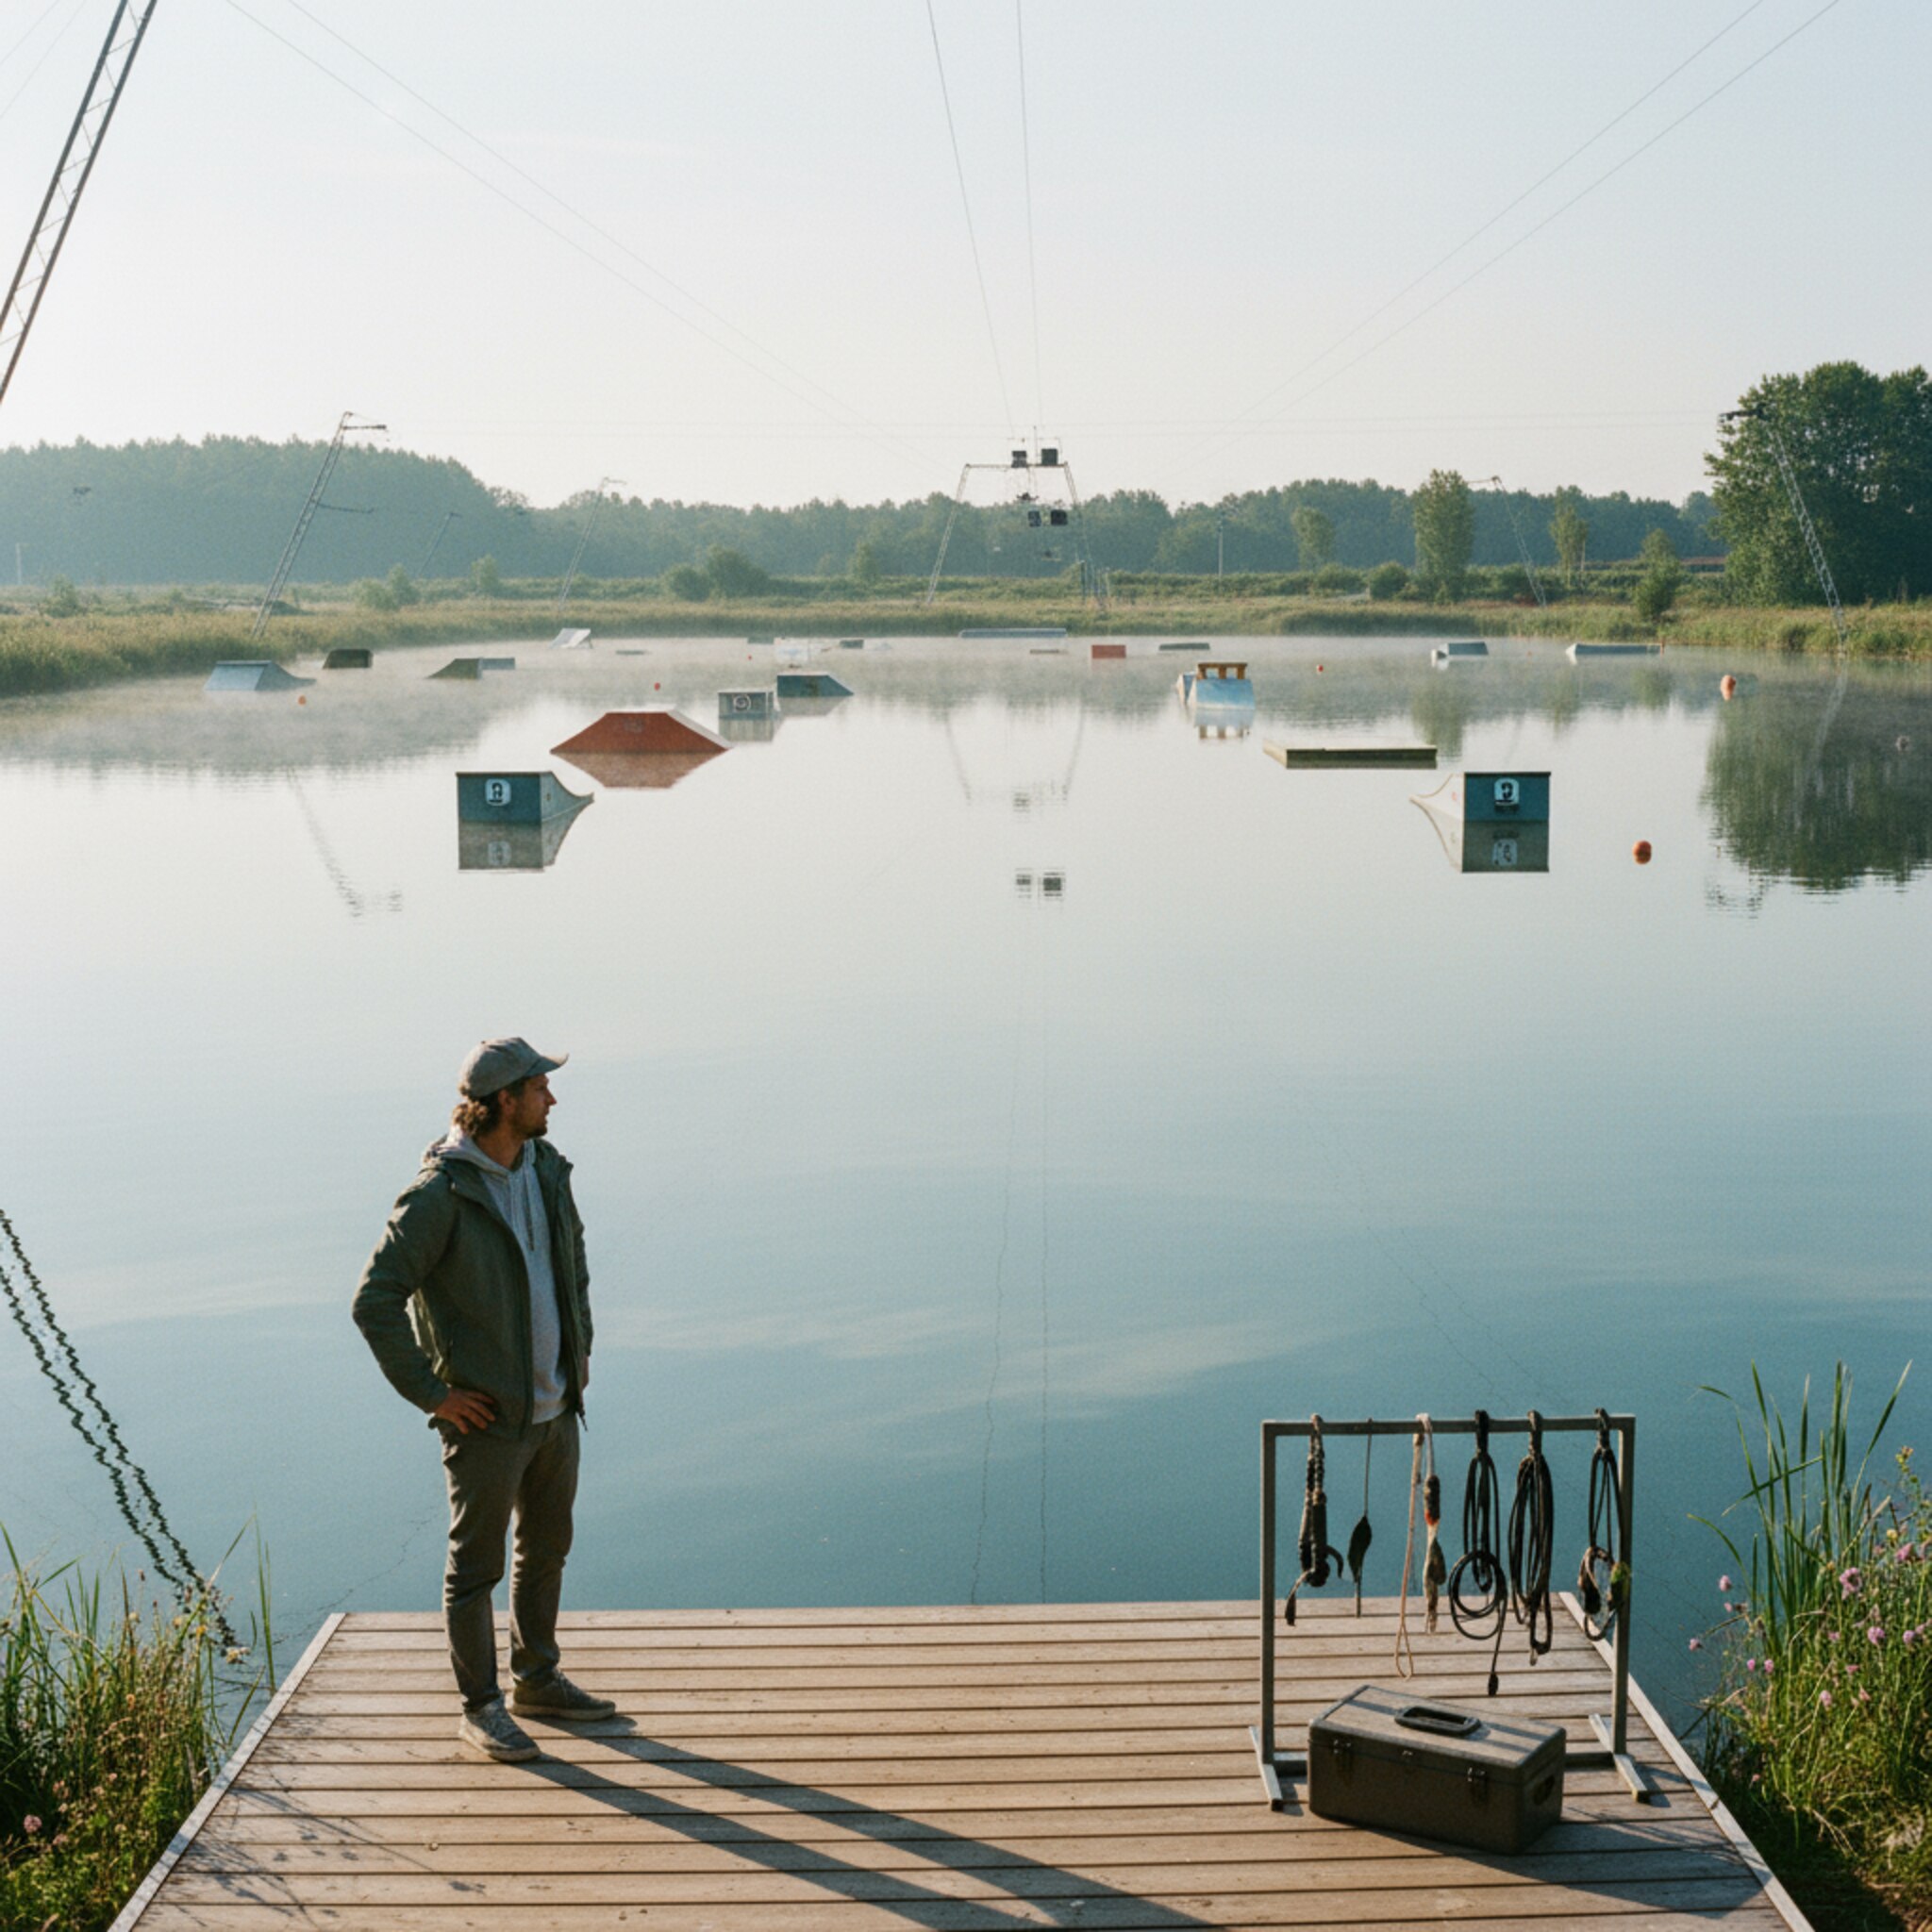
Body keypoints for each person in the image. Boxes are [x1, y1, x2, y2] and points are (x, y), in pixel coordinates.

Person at [353, 1037, 614, 1761]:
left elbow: (575, 1262)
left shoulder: (546, 1169)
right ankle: (482, 1708)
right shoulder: (439, 1195)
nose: (551, 1100)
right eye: (539, 1088)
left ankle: (538, 1679)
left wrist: (579, 1347)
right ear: (504, 1101)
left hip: (556, 1409)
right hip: (489, 1422)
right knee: (476, 1570)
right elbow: (374, 1302)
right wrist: (434, 1395)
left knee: (547, 1548)